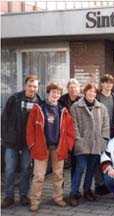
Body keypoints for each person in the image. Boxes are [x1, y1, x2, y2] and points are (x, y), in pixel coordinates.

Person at [26, 82, 75, 212]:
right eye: (53, 92)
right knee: (39, 176)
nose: (55, 95)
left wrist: (68, 145)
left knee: (58, 174)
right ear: (48, 93)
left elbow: (70, 130)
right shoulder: (38, 108)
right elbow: (30, 129)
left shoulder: (62, 110)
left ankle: (58, 198)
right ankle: (35, 201)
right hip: (41, 147)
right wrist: (32, 145)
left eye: (58, 93)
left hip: (58, 147)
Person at [1, 75, 41, 208]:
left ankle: (24, 195)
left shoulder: (38, 102)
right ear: (25, 86)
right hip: (11, 142)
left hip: (28, 144)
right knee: (10, 170)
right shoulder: (14, 98)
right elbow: (4, 118)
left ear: (37, 87)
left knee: (25, 170)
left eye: (35, 86)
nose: (32, 88)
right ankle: (8, 197)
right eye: (30, 85)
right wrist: (5, 137)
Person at [69, 83, 110, 207]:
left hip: (96, 144)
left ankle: (87, 190)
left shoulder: (101, 107)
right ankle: (74, 193)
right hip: (81, 143)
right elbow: (73, 126)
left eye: (94, 92)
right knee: (80, 168)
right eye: (89, 91)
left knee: (91, 169)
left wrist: (103, 140)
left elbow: (105, 125)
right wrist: (78, 141)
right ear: (84, 92)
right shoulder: (76, 107)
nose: (91, 94)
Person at [95, 74, 114, 195]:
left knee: (110, 159)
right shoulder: (97, 97)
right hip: (99, 133)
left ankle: (109, 183)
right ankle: (99, 184)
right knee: (99, 159)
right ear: (102, 84)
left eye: (110, 83)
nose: (108, 85)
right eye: (105, 82)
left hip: (112, 133)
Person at [58, 78, 81, 190]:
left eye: (75, 87)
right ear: (67, 89)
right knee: (60, 165)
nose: (73, 90)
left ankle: (74, 190)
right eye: (71, 88)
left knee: (75, 165)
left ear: (79, 89)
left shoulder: (82, 101)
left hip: (76, 137)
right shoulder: (61, 101)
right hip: (63, 137)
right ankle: (60, 191)